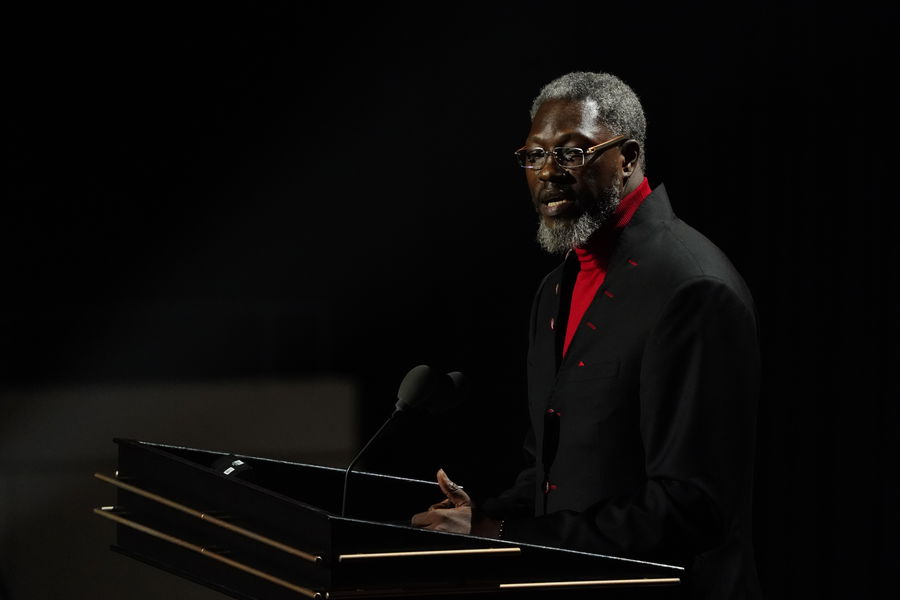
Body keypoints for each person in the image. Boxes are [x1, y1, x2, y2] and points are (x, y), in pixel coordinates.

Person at [410, 71, 762, 600]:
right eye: (534, 155)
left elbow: (690, 507)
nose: (548, 172)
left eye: (571, 153)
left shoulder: (693, 289)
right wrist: (478, 517)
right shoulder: (556, 287)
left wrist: (500, 533)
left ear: (628, 157)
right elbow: (548, 473)